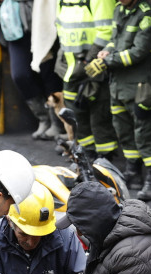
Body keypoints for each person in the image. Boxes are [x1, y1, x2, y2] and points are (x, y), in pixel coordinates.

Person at [87, 0, 151, 199]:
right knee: (123, 131)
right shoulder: (120, 9)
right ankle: (133, 174)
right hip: (118, 85)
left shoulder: (148, 12)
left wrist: (107, 60)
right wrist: (107, 50)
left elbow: (139, 51)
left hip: (139, 85)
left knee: (144, 132)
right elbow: (115, 40)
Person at [55, 0, 118, 161]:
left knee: (100, 115)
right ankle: (86, 154)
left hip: (94, 66)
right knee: (76, 114)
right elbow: (61, 30)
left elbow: (108, 31)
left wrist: (88, 60)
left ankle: (106, 158)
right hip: (71, 69)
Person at [3, 0, 65, 140]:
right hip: (15, 23)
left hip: (43, 16)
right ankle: (43, 118)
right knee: (20, 75)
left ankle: (57, 121)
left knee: (48, 71)